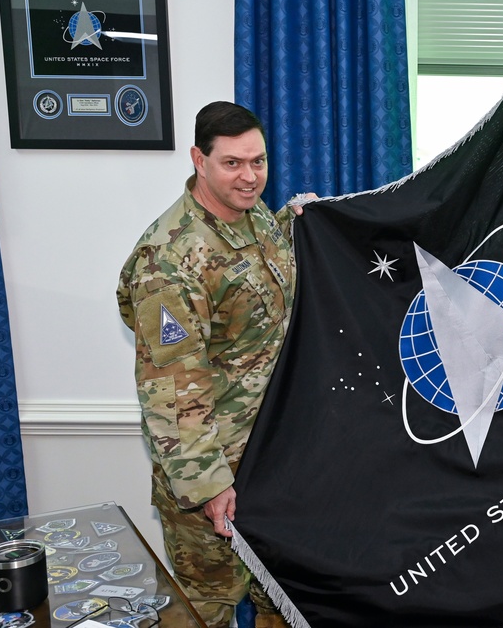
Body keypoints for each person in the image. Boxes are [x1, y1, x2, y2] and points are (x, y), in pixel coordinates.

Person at [117, 101, 311, 628]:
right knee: (208, 606)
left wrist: (302, 227)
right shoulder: (169, 262)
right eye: (232, 163)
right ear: (199, 160)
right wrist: (209, 485)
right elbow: (172, 389)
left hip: (273, 459)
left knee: (286, 598)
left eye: (259, 161)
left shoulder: (258, 222)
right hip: (216, 469)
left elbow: (254, 299)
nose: (250, 177)